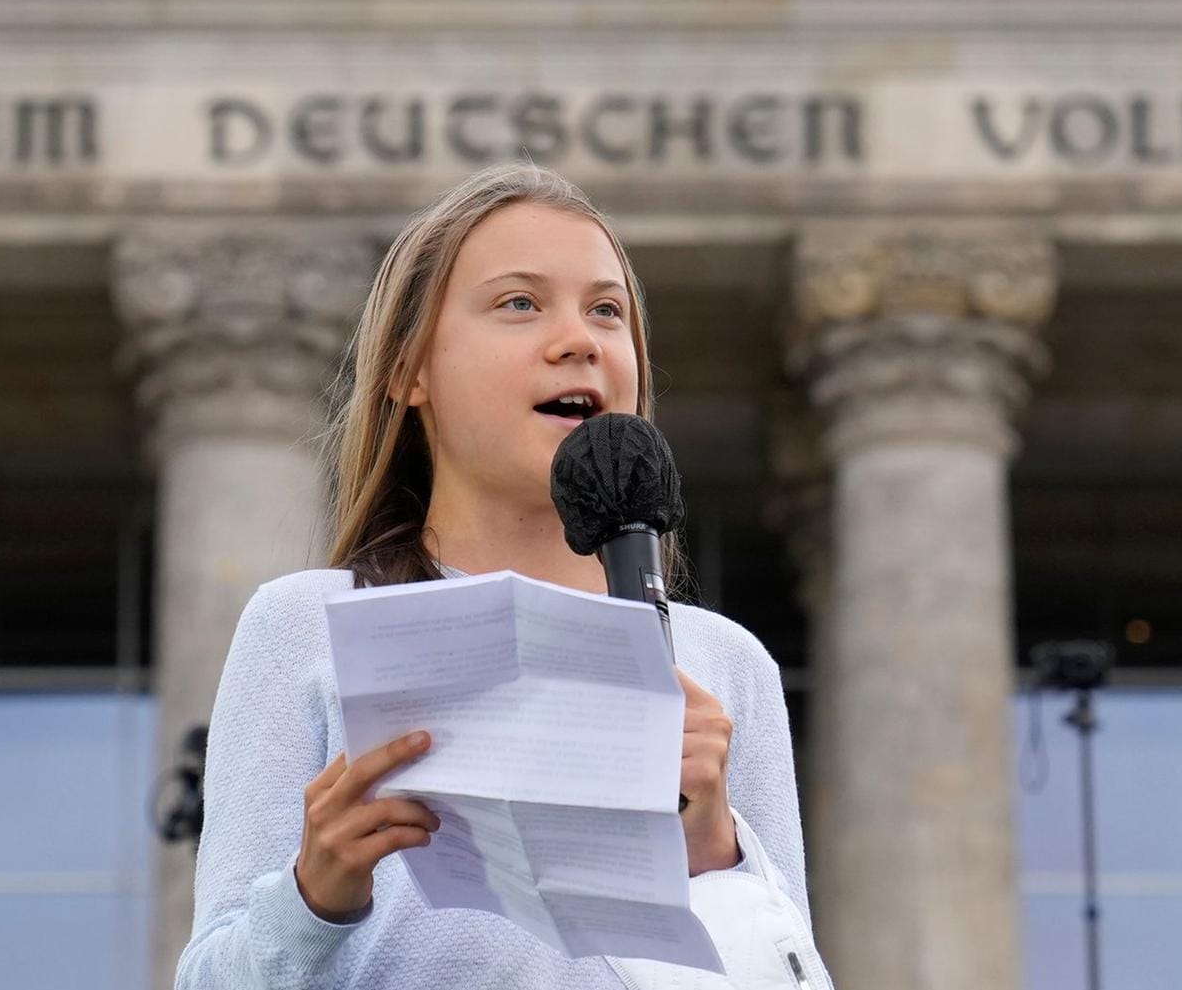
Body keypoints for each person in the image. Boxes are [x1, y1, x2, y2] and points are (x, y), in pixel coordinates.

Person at [173, 161, 825, 989]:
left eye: (607, 311)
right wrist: (313, 897)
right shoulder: (307, 624)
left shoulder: (725, 665)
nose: (578, 339)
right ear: (411, 372)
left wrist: (714, 852)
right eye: (520, 303)